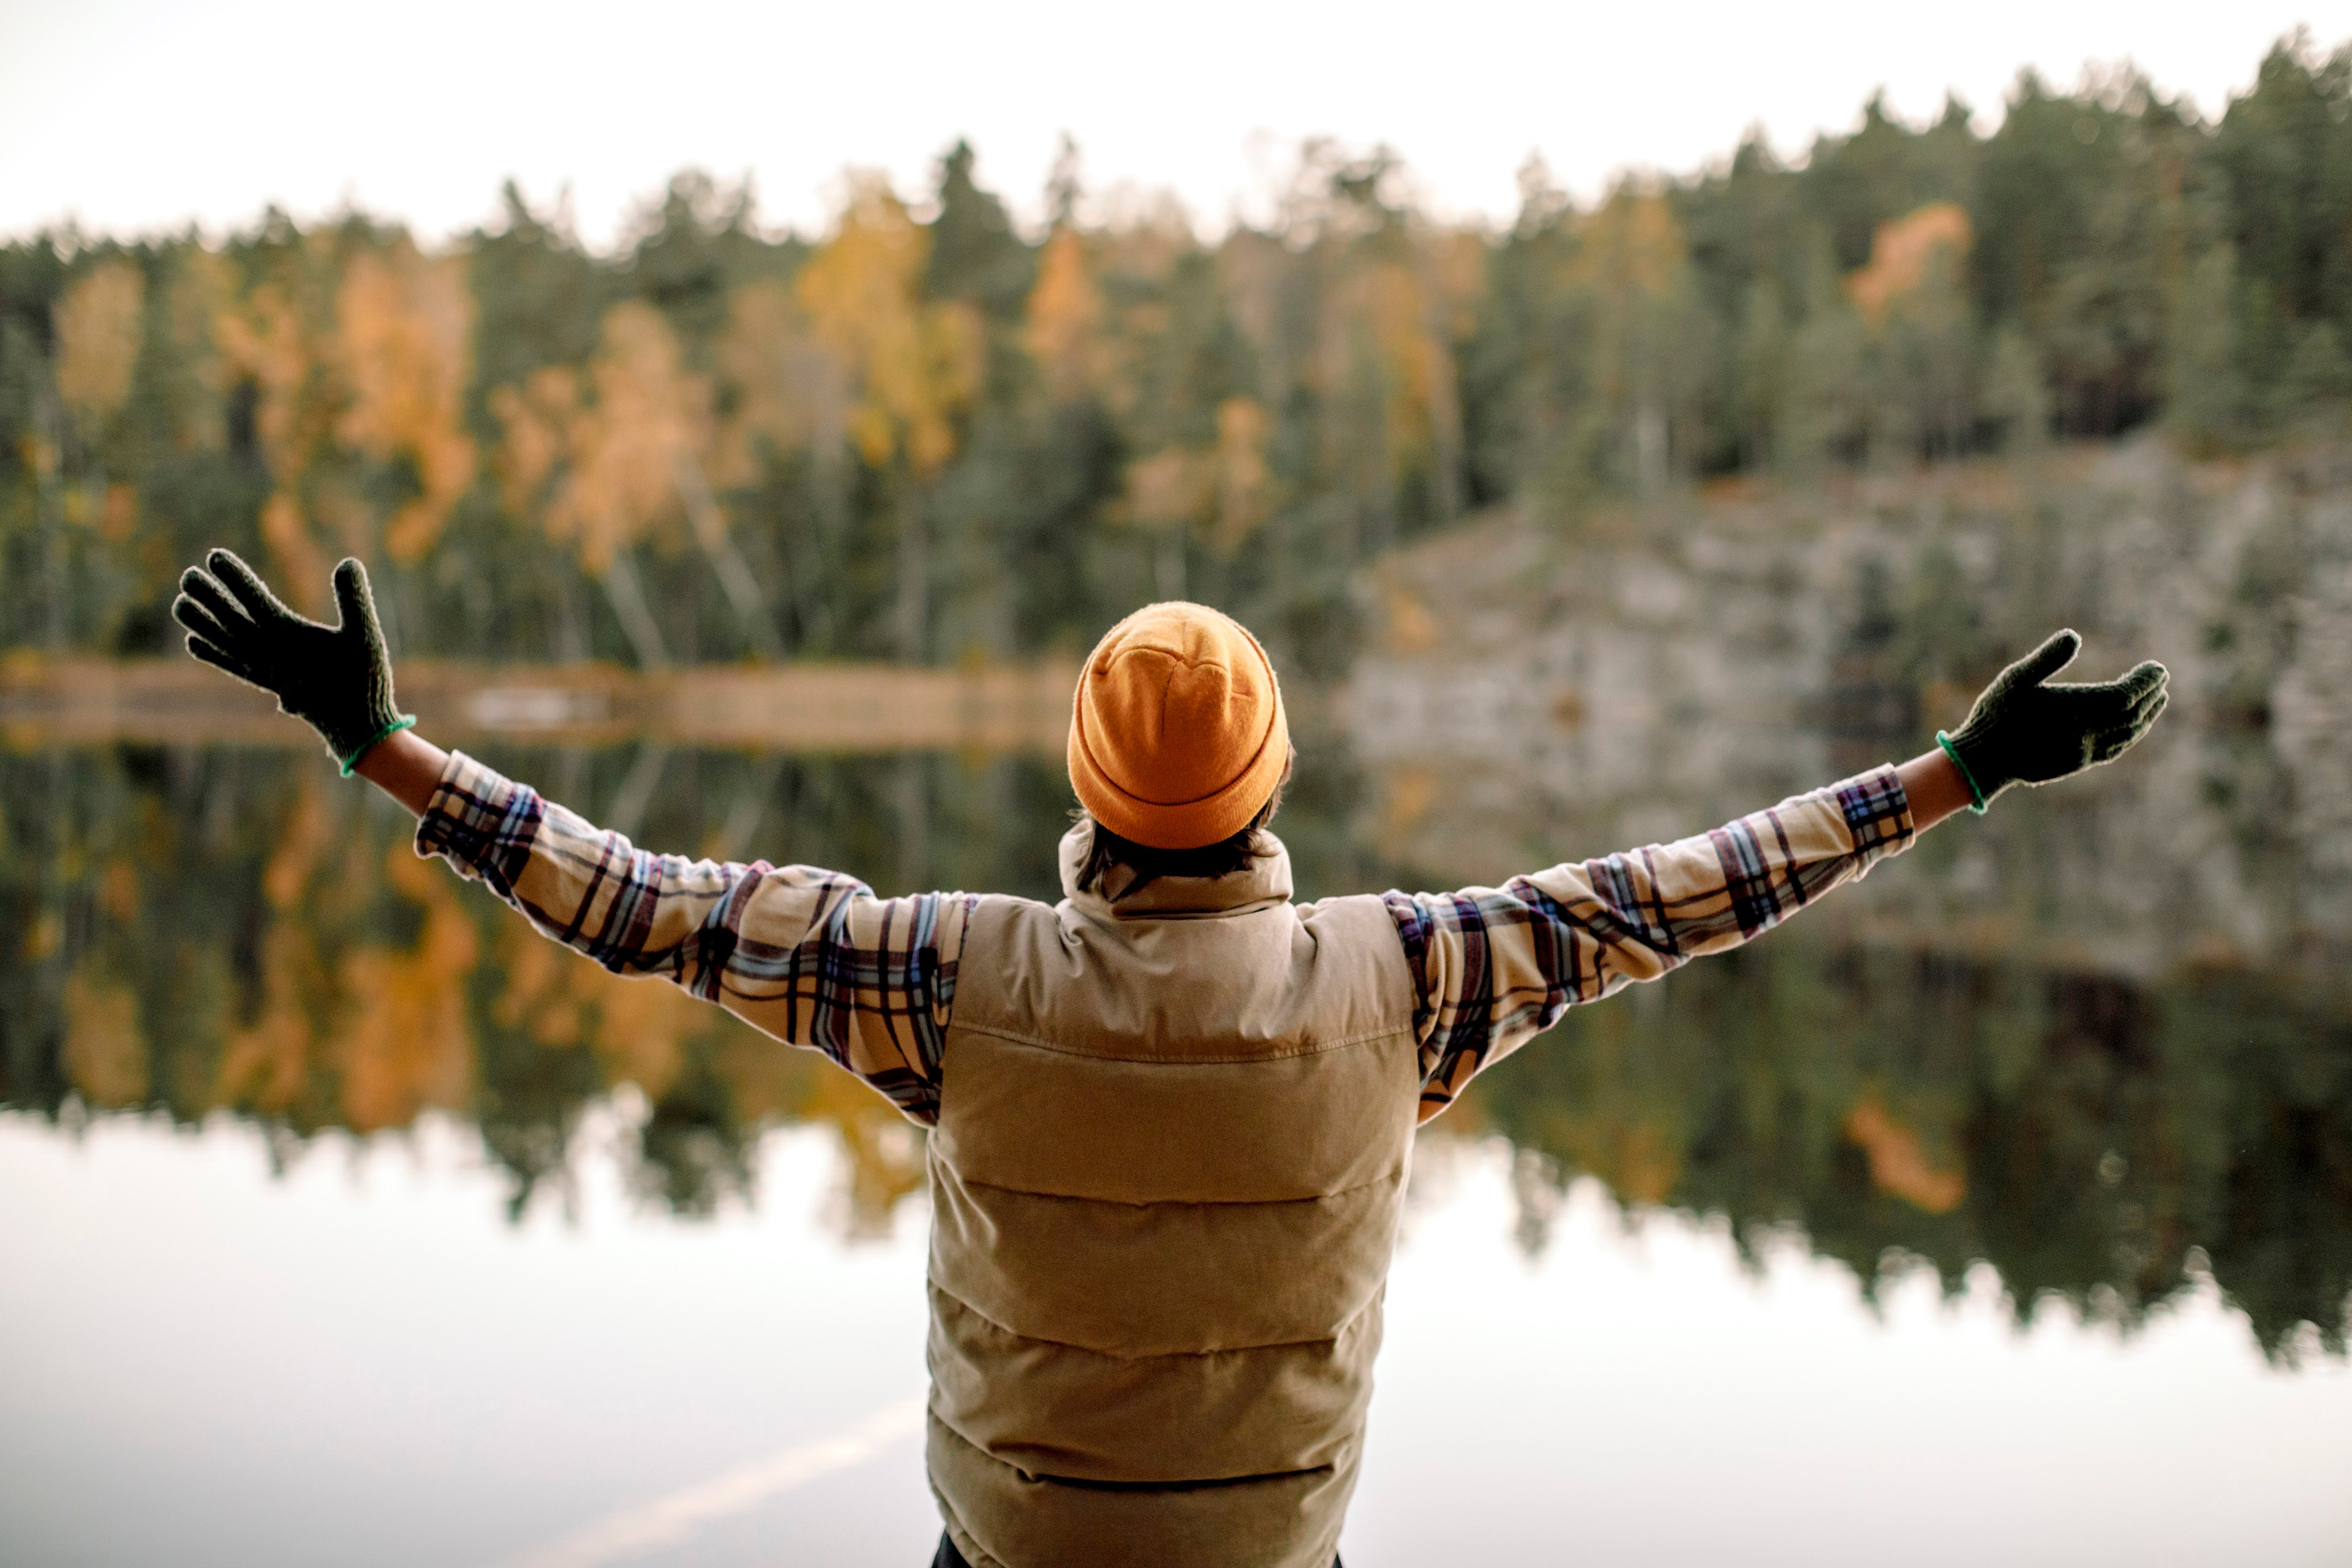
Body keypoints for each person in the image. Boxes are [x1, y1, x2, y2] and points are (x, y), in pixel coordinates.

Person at [172, 548, 2167, 1568]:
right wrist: (1956, 774)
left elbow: (639, 901)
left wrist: (375, 743)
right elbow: (1688, 892)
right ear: (1273, 784)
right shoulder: (1423, 979)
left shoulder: (941, 980)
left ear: (1084, 790)